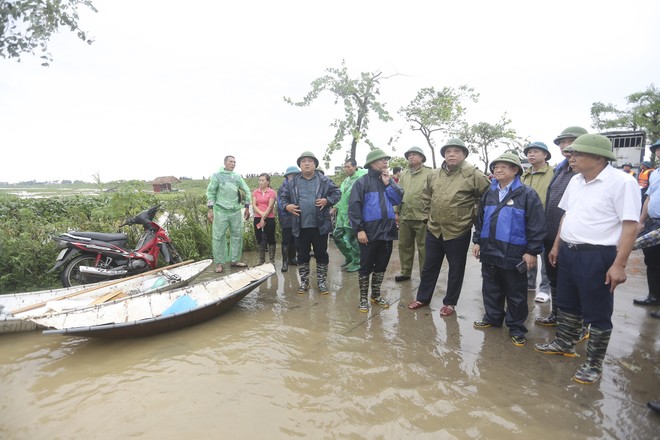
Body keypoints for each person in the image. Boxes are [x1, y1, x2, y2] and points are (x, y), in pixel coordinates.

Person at [534, 134, 640, 384]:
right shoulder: (576, 181)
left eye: (578, 154)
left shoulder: (622, 182)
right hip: (569, 251)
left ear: (598, 157)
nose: (572, 158)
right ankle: (564, 342)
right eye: (571, 154)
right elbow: (567, 215)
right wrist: (558, 244)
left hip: (598, 255)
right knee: (568, 304)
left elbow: (630, 226)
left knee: (598, 312)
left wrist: (619, 264)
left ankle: (594, 363)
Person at [407, 138, 490, 317]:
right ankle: (423, 298)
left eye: (456, 151)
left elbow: (487, 198)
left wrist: (473, 217)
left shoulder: (473, 174)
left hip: (458, 230)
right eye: (447, 152)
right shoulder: (434, 174)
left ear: (464, 154)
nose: (451, 154)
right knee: (429, 266)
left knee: (456, 268)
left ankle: (450, 302)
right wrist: (427, 218)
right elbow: (426, 196)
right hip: (434, 229)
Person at [472, 152, 546, 347]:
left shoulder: (527, 194)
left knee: (516, 292)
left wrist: (532, 251)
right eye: (496, 166)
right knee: (490, 287)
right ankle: (493, 317)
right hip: (490, 249)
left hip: (514, 252)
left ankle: (516, 327)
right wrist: (477, 240)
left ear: (515, 171)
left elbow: (536, 225)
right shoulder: (490, 192)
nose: (498, 169)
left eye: (504, 166)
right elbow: (480, 219)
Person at [535, 126, 588, 329]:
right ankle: (556, 314)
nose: (565, 146)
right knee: (555, 278)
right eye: (561, 143)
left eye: (569, 141)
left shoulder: (583, 171)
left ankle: (581, 325)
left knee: (575, 282)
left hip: (574, 238)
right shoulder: (561, 168)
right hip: (552, 233)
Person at [348, 149, 403, 312]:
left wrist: (389, 183)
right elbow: (354, 207)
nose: (385, 162)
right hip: (369, 233)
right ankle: (363, 298)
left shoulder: (388, 180)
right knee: (365, 266)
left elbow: (398, 198)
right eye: (381, 160)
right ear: (372, 163)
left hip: (387, 232)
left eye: (386, 159)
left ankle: (376, 295)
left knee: (381, 266)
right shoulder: (362, 182)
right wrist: (359, 230)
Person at [280, 151, 341, 294]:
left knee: (321, 254)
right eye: (303, 161)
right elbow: (283, 198)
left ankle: (321, 282)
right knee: (302, 255)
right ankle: (304, 282)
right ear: (300, 165)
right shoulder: (292, 182)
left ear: (315, 164)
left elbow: (337, 193)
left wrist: (327, 201)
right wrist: (287, 206)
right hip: (299, 226)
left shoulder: (324, 180)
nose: (306, 163)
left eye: (310, 161)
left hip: (320, 225)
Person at [206, 155, 252, 273]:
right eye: (231, 162)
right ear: (225, 163)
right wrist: (210, 209)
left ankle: (235, 260)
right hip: (220, 211)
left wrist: (247, 206)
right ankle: (219, 263)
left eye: (235, 162)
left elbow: (246, 190)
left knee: (237, 235)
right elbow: (211, 192)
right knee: (218, 237)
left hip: (235, 211)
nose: (233, 164)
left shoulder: (237, 177)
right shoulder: (217, 176)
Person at [521, 141, 553, 303]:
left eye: (535, 152)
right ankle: (529, 283)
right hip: (526, 223)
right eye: (529, 152)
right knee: (528, 254)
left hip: (546, 222)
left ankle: (545, 289)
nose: (531, 155)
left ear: (545, 155)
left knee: (546, 257)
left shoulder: (553, 173)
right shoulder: (524, 175)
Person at [394, 146, 432, 282]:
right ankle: (405, 271)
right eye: (409, 155)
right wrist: (396, 212)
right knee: (404, 245)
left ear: (422, 157)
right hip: (405, 215)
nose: (411, 157)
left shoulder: (430, 173)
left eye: (415, 154)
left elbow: (434, 193)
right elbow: (398, 193)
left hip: (422, 216)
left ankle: (425, 274)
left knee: (424, 247)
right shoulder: (404, 173)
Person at [633, 139, 660, 308]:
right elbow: (649, 197)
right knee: (651, 261)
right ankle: (653, 297)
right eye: (657, 149)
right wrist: (642, 221)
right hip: (652, 222)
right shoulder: (655, 173)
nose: (659, 152)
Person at [331, 158, 366, 273]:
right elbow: (341, 195)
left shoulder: (361, 178)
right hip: (342, 214)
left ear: (355, 166)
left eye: (348, 167)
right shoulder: (346, 181)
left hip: (353, 213)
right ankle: (349, 256)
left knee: (352, 239)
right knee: (337, 235)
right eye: (345, 167)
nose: (346, 169)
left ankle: (357, 262)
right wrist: (335, 207)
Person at [277, 165, 300, 272]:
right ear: (287, 176)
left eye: (295, 175)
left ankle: (292, 259)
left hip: (297, 216)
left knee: (295, 239)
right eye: (291, 175)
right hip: (286, 217)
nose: (293, 177)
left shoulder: (299, 186)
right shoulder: (282, 188)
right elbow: (281, 204)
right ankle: (285, 262)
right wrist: (288, 208)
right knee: (286, 241)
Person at [252, 173, 277, 265]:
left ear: (268, 181)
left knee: (270, 237)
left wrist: (264, 216)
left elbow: (270, 206)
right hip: (257, 217)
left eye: (263, 180)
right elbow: (254, 205)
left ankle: (271, 261)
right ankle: (261, 260)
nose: (261, 182)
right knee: (259, 238)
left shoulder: (272, 192)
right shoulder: (255, 192)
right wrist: (261, 214)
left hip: (269, 218)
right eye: (260, 180)